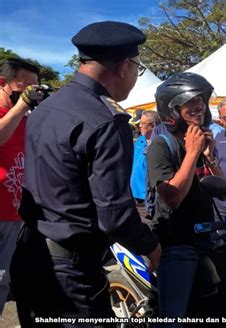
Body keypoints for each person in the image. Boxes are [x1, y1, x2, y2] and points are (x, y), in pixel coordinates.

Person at [10, 21, 162, 326]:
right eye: (138, 68)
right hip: (72, 269)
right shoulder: (105, 119)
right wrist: (151, 247)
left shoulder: (47, 107)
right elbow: (115, 215)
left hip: (30, 253)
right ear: (123, 66)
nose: (135, 77)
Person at [147, 72, 221, 324]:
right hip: (177, 245)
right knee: (174, 318)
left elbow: (222, 187)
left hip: (206, 240)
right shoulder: (161, 144)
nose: (199, 105)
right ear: (172, 108)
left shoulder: (200, 142)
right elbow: (172, 197)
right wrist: (191, 153)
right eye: (190, 101)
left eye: (201, 99)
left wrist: (208, 155)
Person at [0, 58, 40, 315]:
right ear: (3, 83)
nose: (31, 94)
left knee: (2, 280)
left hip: (15, 215)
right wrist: (22, 105)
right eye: (25, 87)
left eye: (35, 89)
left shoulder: (26, 119)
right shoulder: (11, 114)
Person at [131, 110, 160, 204]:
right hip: (133, 194)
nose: (139, 126)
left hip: (148, 197)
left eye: (143, 123)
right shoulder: (139, 140)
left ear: (153, 125)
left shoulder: (160, 142)